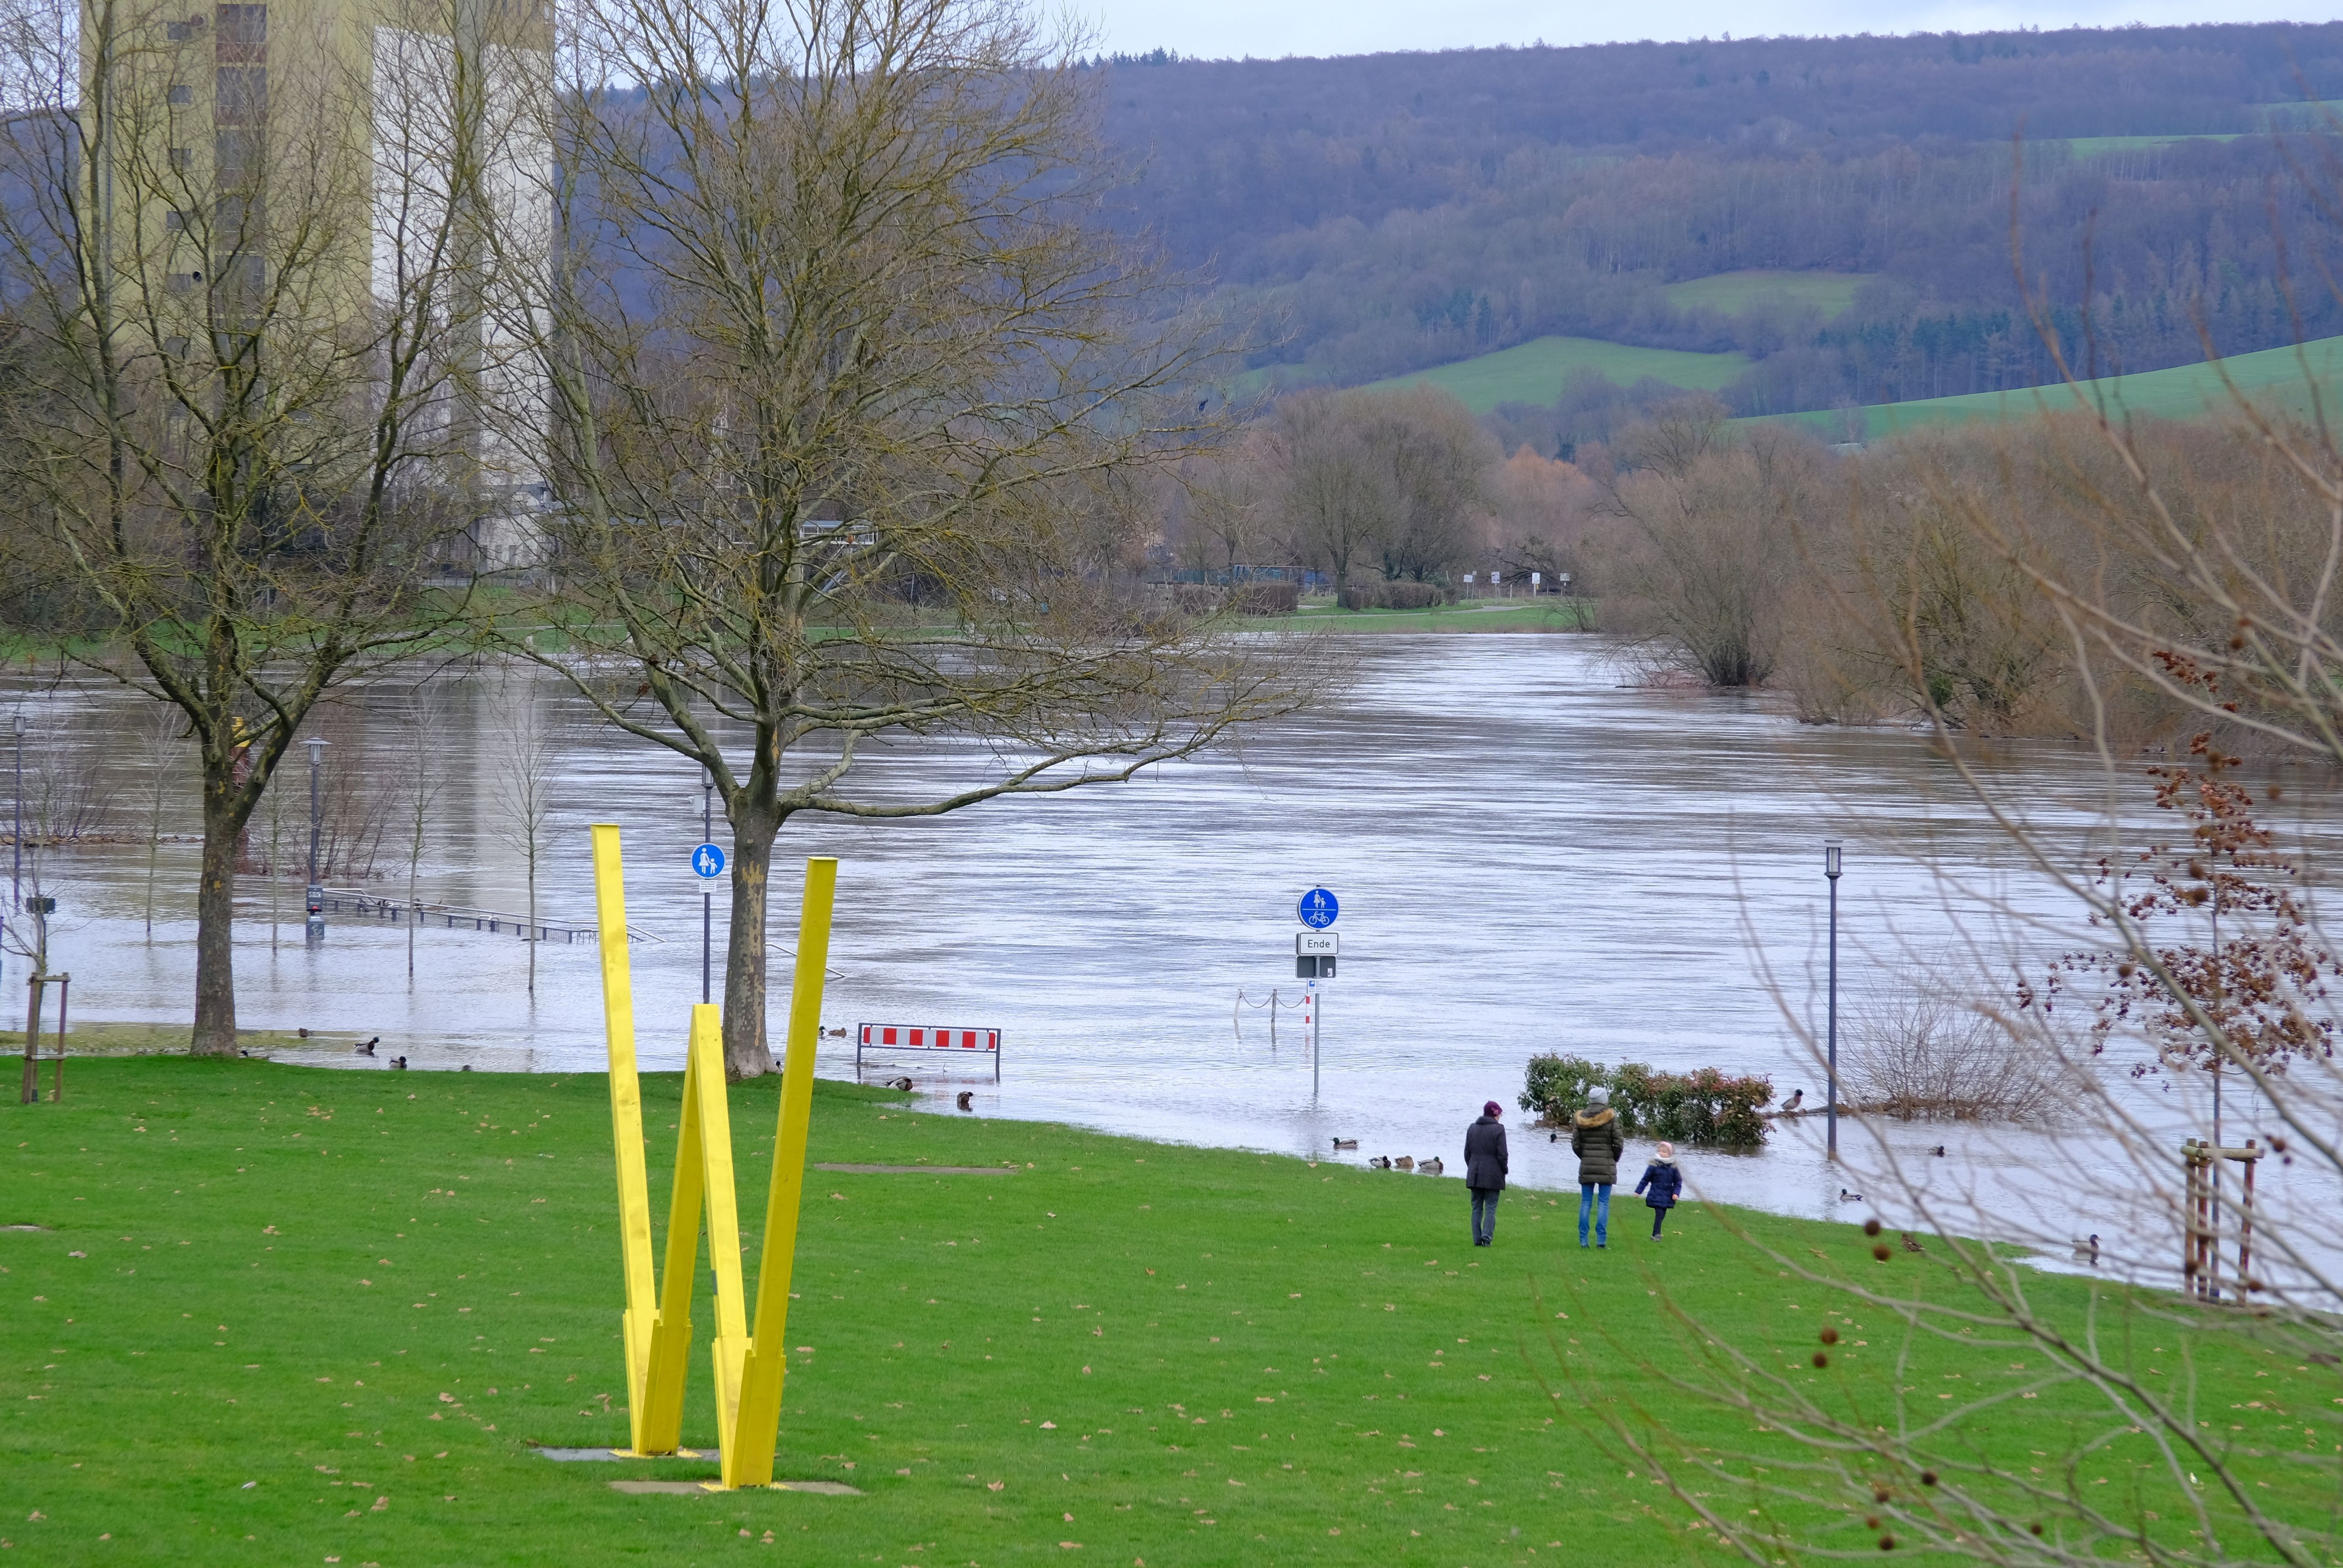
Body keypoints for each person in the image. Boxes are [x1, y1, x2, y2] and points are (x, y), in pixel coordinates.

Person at [1572, 1085, 1624, 1248]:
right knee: (1603, 1203)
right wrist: (1613, 1158)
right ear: (1604, 1100)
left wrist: (1585, 1157)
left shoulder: (1580, 1120)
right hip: (1606, 1166)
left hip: (1587, 1166)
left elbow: (1576, 1144)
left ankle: (1583, 1240)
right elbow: (1619, 1143)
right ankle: (1601, 1241)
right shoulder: (1611, 1119)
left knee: (1586, 1202)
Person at [1463, 1099, 1508, 1247]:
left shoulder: (1472, 1128)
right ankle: (1487, 1238)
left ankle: (1477, 1240)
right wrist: (1504, 1169)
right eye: (1500, 1114)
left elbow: (1467, 1153)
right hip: (1493, 1175)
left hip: (1475, 1174)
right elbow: (1503, 1155)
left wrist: (1472, 1167)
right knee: (1490, 1207)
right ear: (1495, 1114)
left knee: (1476, 1207)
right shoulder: (1499, 1130)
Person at [1636, 1140, 1683, 1239]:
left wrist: (1676, 1193)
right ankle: (1657, 1234)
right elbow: (1646, 1179)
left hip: (1668, 1195)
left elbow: (1678, 1182)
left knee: (1662, 1214)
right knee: (1659, 1213)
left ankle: (1656, 1233)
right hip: (1656, 1194)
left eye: (1664, 1152)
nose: (1661, 1153)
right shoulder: (1654, 1166)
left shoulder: (1673, 1167)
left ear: (1670, 1154)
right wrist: (1638, 1191)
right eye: (1660, 1151)